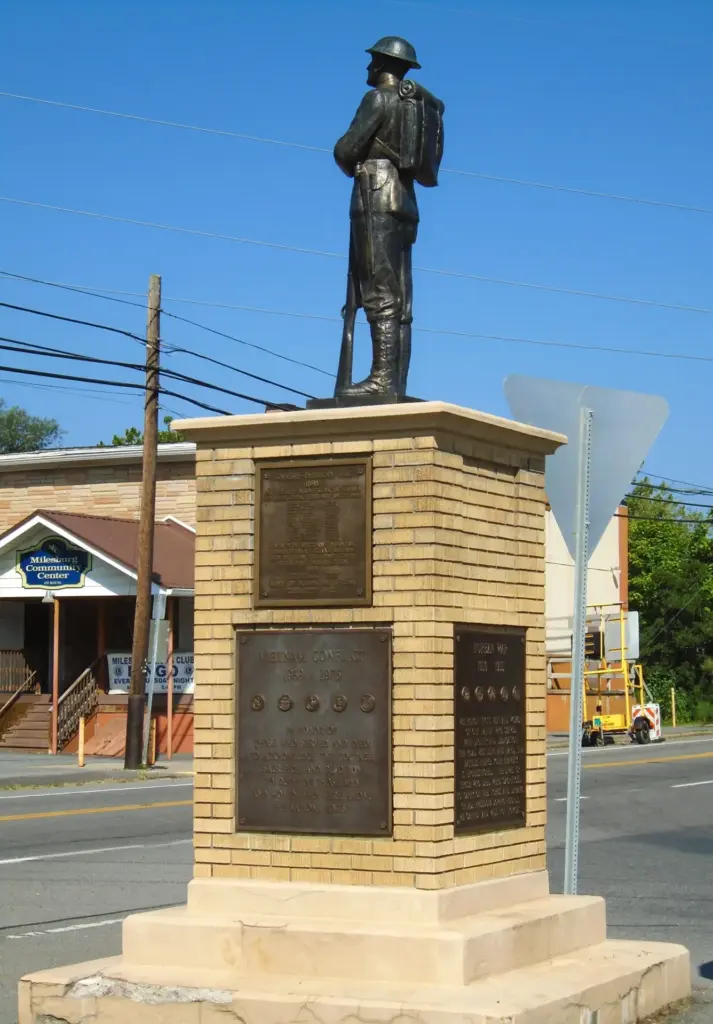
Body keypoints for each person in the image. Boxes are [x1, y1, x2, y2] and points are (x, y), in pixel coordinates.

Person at [334, 36, 442, 398]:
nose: (368, 67)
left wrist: (346, 156)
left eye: (372, 61)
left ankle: (382, 378)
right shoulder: (414, 106)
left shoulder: (377, 99)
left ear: (382, 63)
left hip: (375, 195)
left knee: (379, 290)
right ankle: (395, 380)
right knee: (401, 295)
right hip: (405, 201)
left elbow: (346, 150)